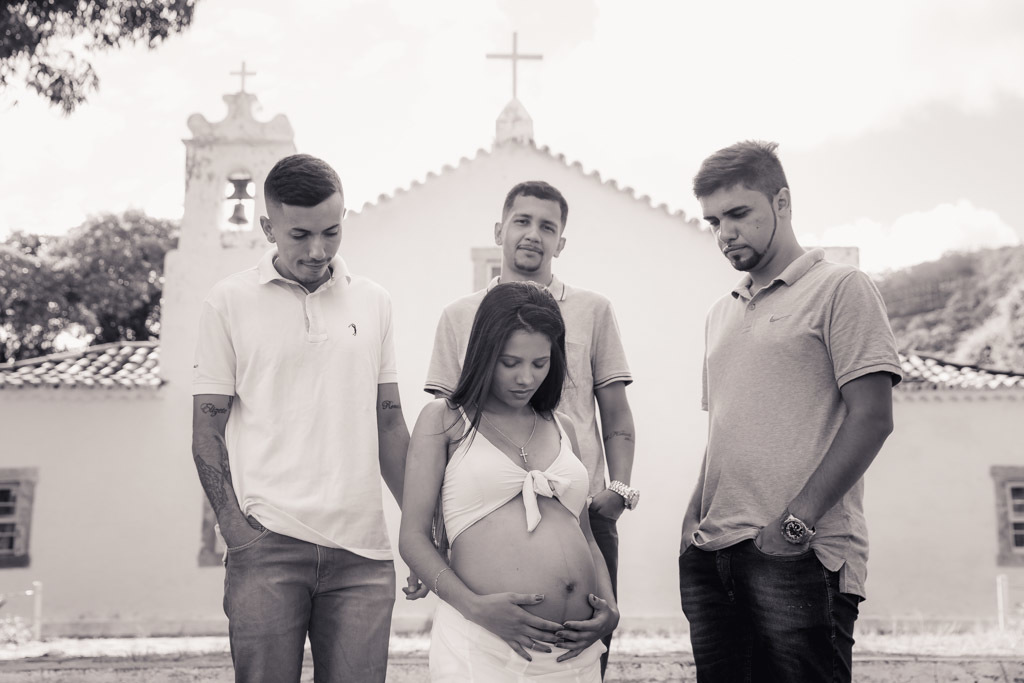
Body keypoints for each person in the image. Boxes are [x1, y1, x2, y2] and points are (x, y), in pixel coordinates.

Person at [678, 140, 903, 682]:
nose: (725, 233)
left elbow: (873, 417)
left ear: (782, 202)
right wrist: (690, 526)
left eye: (738, 214)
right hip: (713, 554)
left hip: (799, 555)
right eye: (713, 221)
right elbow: (722, 428)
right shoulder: (719, 314)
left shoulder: (841, 288)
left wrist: (794, 525)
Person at [191, 153, 411, 683]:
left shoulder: (374, 302)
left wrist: (421, 531)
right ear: (268, 228)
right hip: (266, 545)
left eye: (331, 232)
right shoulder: (228, 302)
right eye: (300, 235)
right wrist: (235, 531)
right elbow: (206, 431)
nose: (318, 250)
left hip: (363, 554)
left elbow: (389, 424)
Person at [424, 181, 636, 677]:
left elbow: (616, 415)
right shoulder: (459, 316)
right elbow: (442, 436)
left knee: (595, 637)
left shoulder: (593, 310)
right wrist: (433, 540)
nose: (533, 234)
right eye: (522, 221)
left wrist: (619, 491)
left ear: (561, 242)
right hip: (483, 510)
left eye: (548, 226)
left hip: (580, 505)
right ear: (499, 230)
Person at [401, 281, 618, 681]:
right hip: (485, 646)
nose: (525, 378)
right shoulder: (444, 420)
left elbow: (585, 535)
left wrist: (610, 607)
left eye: (540, 363)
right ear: (484, 354)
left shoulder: (562, 427)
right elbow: (413, 539)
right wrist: (473, 607)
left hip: (573, 656)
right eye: (510, 362)